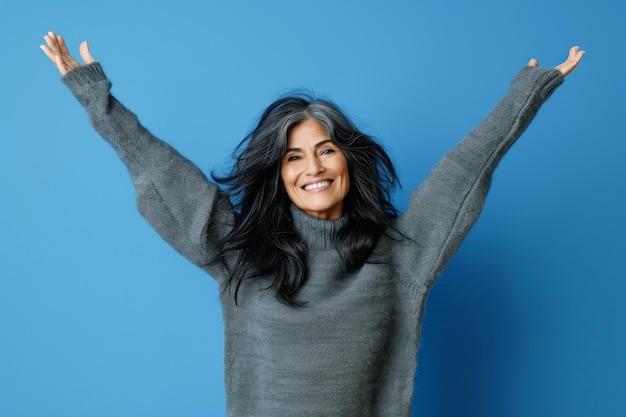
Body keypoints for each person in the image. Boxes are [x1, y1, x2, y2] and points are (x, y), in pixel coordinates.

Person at [41, 31, 583, 417]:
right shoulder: (240, 254)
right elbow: (162, 174)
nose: (313, 168)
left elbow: (464, 173)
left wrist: (523, 97)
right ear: (277, 174)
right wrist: (97, 100)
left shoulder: (402, 255)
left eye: (325, 150)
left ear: (348, 160)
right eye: (294, 157)